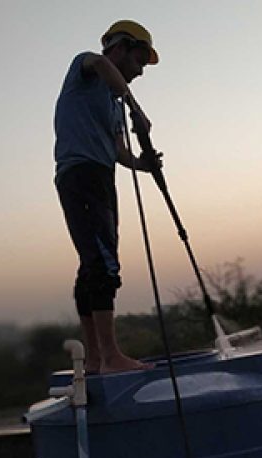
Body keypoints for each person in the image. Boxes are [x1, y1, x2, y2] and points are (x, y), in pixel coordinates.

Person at [53, 20, 161, 374]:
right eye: (140, 59)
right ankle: (112, 357)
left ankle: (98, 360)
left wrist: (144, 165)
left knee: (92, 264)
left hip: (101, 174)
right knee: (103, 262)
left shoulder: (113, 104)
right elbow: (100, 65)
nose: (141, 71)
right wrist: (136, 107)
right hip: (81, 174)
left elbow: (116, 150)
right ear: (120, 47)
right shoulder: (86, 67)